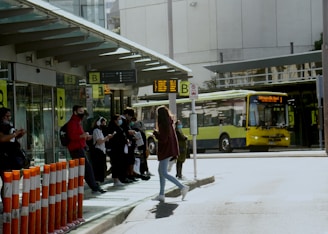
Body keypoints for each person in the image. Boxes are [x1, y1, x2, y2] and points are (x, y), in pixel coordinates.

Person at [152, 106, 189, 202]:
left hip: (166, 150)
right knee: (161, 172)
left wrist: (156, 134)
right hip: (169, 150)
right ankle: (161, 194)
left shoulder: (163, 124)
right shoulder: (169, 122)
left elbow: (163, 139)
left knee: (163, 172)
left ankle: (182, 187)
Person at [67, 105, 106, 194]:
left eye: (83, 111)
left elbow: (77, 136)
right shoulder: (73, 123)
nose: (82, 113)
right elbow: (72, 136)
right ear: (75, 112)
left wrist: (85, 137)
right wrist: (83, 136)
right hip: (76, 148)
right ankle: (94, 187)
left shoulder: (78, 122)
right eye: (80, 111)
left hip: (79, 147)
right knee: (87, 168)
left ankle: (92, 186)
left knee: (84, 168)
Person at [0, 107, 26, 201]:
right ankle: (6, 202)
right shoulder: (1, 126)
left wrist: (20, 134)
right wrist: (15, 134)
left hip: (12, 156)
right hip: (3, 157)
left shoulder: (9, 126)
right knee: (7, 181)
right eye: (7, 116)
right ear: (2, 117)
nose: (9, 118)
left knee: (12, 179)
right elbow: (2, 139)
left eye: (10, 116)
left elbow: (11, 139)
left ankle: (9, 200)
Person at [104, 114, 127, 186]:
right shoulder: (112, 128)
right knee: (115, 164)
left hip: (120, 148)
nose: (120, 120)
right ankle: (115, 179)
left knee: (119, 164)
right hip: (115, 149)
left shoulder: (119, 127)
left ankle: (118, 178)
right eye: (118, 119)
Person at [91, 116, 113, 183]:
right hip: (98, 151)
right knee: (98, 167)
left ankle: (101, 180)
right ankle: (98, 180)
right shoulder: (96, 131)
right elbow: (99, 141)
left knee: (102, 167)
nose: (104, 125)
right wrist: (107, 137)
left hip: (102, 150)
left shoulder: (100, 131)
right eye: (103, 123)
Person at [120, 107, 137, 182]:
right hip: (125, 143)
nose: (130, 118)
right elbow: (124, 131)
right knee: (127, 160)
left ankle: (130, 174)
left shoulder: (125, 121)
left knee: (130, 159)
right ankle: (128, 175)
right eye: (130, 116)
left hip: (129, 143)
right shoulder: (122, 121)